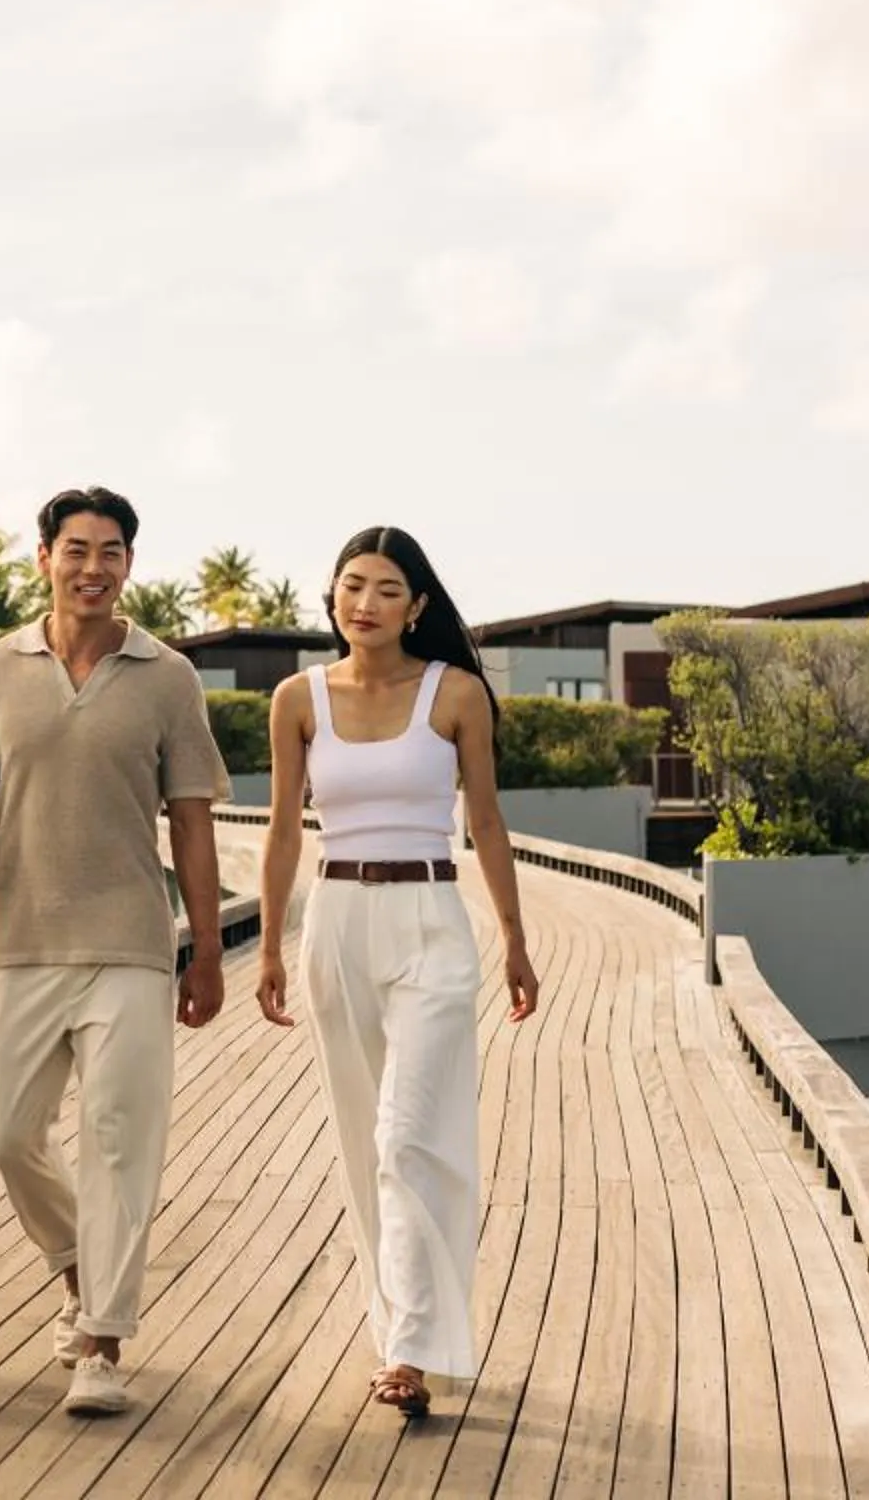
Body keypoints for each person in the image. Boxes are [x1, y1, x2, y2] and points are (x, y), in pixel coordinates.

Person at [0, 485, 227, 1419]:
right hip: (18, 943)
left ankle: (102, 1339)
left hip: (133, 944)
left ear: (129, 564)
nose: (93, 568)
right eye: (77, 550)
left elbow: (194, 821)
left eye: (112, 552)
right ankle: (77, 1267)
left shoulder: (168, 675)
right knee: (10, 1134)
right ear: (45, 555)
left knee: (121, 1142)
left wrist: (206, 948)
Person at [255, 525, 539, 1422]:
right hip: (336, 922)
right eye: (351, 585)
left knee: (410, 1136)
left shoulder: (455, 696)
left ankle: (412, 1350)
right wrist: (266, 945)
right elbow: (282, 830)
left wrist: (515, 939)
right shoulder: (297, 698)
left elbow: (486, 823)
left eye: (385, 588)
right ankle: (402, 1332)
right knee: (362, 1138)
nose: (364, 602)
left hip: (429, 921)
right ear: (331, 597)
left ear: (417, 605)